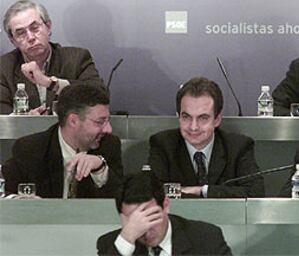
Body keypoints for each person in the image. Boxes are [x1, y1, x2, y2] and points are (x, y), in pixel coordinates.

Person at [148, 77, 264, 198]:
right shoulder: (163, 144)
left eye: (203, 118)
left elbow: (255, 193)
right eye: (186, 117)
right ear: (178, 116)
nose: (193, 127)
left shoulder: (238, 147)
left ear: (217, 119)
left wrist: (202, 191)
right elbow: (151, 192)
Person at [2, 84, 123, 198]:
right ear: (73, 121)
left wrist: (100, 170)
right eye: (100, 122)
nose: (109, 129)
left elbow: (122, 202)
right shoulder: (31, 149)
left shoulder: (109, 145)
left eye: (108, 121)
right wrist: (22, 201)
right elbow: (3, 191)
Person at [0, 0, 104, 115]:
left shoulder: (76, 58)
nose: (30, 37)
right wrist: (25, 119)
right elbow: (2, 114)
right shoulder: (4, 67)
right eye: (21, 33)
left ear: (48, 27)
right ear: (13, 40)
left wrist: (49, 83)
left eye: (35, 28)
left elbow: (101, 95)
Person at [96, 171, 233, 255]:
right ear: (122, 218)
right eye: (136, 221)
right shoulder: (110, 245)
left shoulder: (206, 239)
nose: (146, 231)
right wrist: (126, 240)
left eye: (151, 217)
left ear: (166, 205)